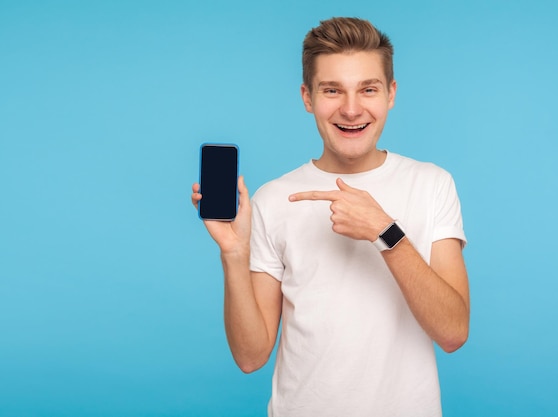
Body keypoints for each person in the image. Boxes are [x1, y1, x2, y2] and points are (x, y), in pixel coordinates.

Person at [191, 17, 469, 417]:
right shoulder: (273, 199)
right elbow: (251, 357)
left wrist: (386, 232)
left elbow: (453, 332)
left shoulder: (432, 185)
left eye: (368, 89)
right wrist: (234, 253)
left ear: (391, 93)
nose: (351, 109)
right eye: (332, 90)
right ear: (307, 97)